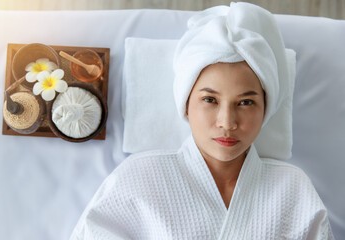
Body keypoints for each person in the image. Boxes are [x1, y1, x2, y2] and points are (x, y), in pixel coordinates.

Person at [70, 2, 333, 239]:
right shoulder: (138, 178)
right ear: (186, 103)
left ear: (266, 108)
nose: (227, 122)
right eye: (210, 100)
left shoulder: (293, 189)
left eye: (246, 102)